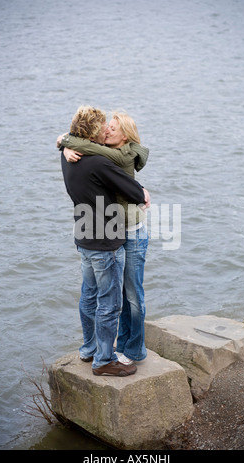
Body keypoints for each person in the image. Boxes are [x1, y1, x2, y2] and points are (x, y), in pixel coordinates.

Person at [60, 105, 148, 377]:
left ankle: (100, 349)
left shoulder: (73, 157)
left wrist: (63, 143)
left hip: (94, 235)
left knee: (98, 296)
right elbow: (134, 192)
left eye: (113, 128)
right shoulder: (95, 159)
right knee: (109, 302)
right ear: (95, 132)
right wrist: (142, 190)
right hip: (107, 238)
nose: (107, 129)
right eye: (105, 127)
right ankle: (104, 358)